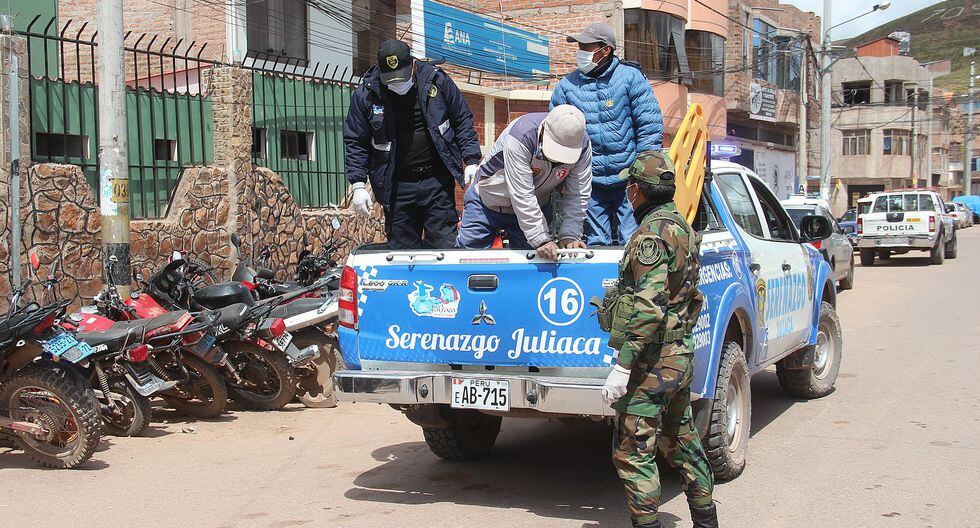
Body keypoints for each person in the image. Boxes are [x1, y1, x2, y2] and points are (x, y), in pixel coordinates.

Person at [600, 151, 718, 528]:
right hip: (679, 355)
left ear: (637, 190)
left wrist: (623, 365)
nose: (627, 192)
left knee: (633, 452)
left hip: (653, 361)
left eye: (629, 186)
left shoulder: (651, 235)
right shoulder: (681, 225)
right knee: (682, 440)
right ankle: (706, 520)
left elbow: (649, 306)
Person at [344, 39, 482, 249]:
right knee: (402, 251)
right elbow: (356, 140)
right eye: (391, 79)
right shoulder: (367, 94)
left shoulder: (436, 81)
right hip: (397, 186)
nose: (397, 83)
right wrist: (358, 185)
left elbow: (461, 119)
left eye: (401, 77)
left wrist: (471, 159)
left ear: (413, 65)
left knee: (444, 247)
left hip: (436, 180)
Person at [551, 22, 664, 246]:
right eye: (579, 47)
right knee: (595, 243)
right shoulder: (566, 87)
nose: (581, 52)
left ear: (605, 50)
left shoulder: (631, 78)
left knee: (633, 240)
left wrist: (641, 171)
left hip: (628, 177)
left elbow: (649, 126)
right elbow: (557, 133)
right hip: (588, 180)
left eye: (586, 47)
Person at [456, 105, 592, 259]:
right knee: (467, 259)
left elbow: (578, 193)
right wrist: (540, 239)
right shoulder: (521, 135)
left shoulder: (582, 144)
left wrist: (570, 234)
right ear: (543, 131)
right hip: (486, 202)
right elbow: (522, 193)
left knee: (535, 265)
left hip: (536, 207)